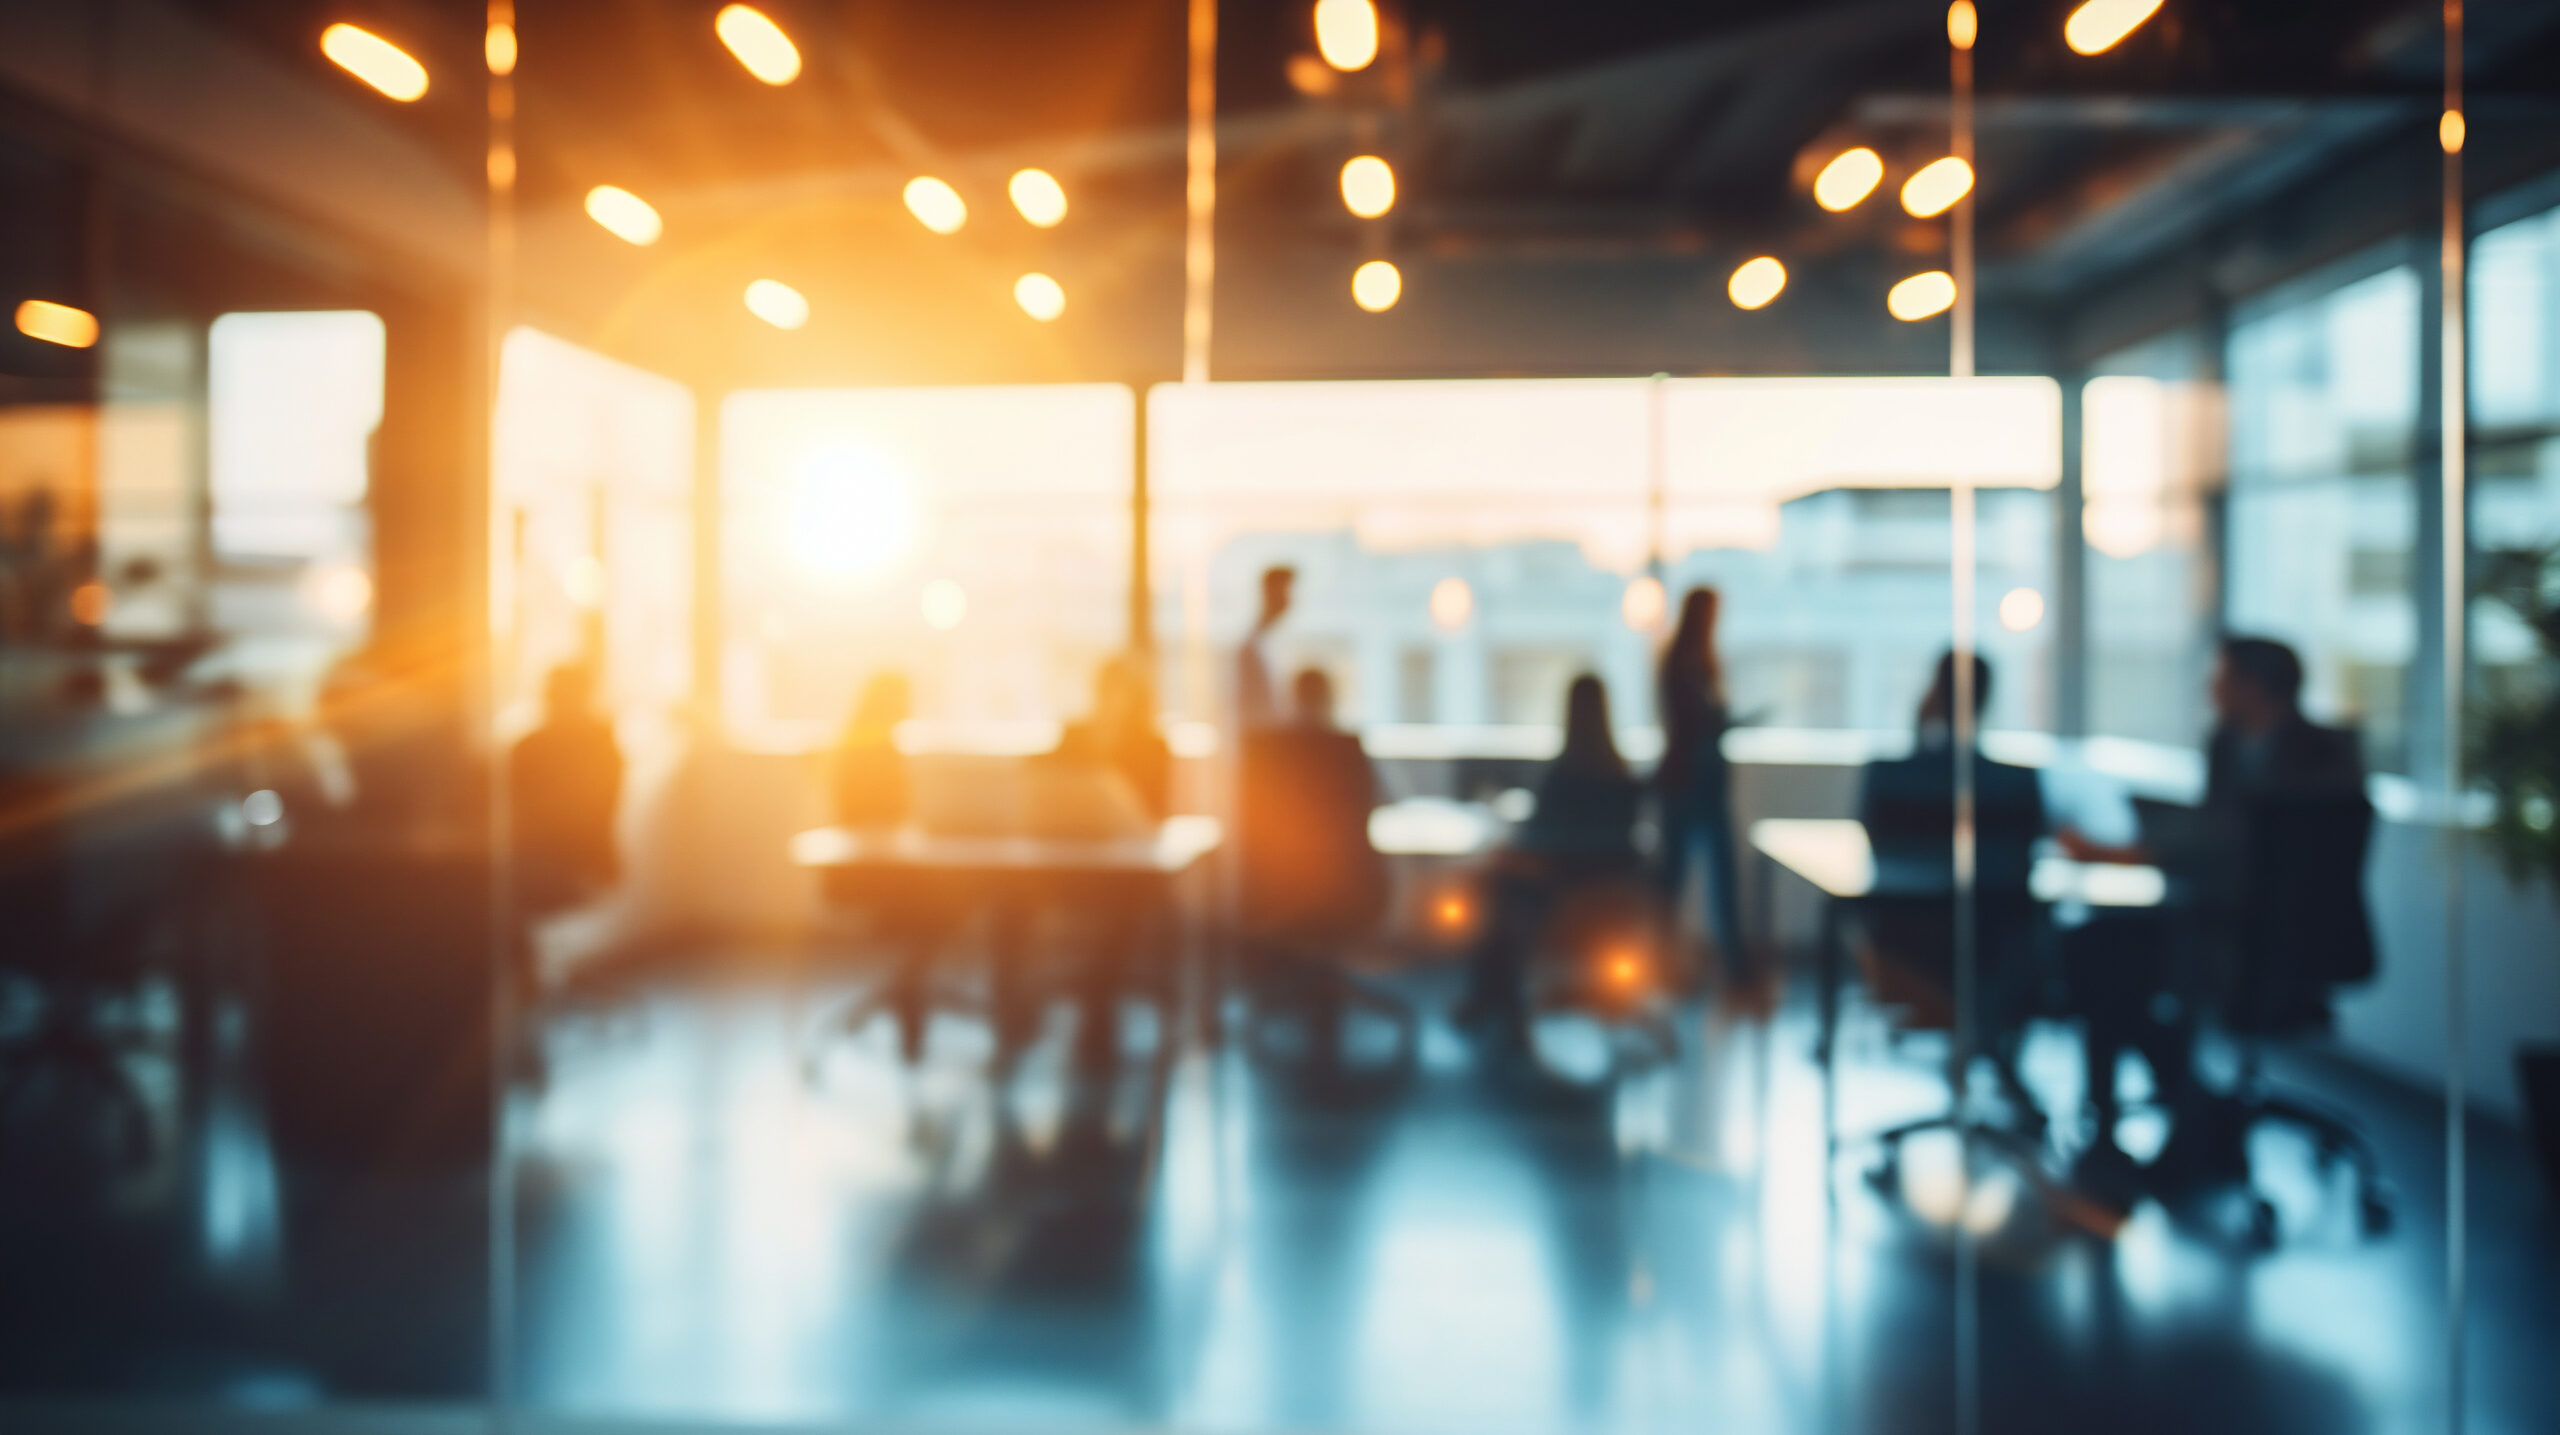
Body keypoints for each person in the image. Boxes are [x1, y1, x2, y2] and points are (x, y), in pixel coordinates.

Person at [2054, 635, 2368, 1198]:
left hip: (2269, 944)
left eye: (2220, 677)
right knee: (2098, 950)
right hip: (2220, 920)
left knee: (2106, 960)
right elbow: (2217, 831)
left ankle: (2188, 1126)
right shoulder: (2228, 744)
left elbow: (2231, 838)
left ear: (2252, 685)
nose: (2210, 689)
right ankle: (2166, 1121)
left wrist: (2122, 852)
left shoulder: (2322, 753)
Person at [1853, 652, 2048, 1117]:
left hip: (1907, 956)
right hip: (2001, 957)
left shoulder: (1889, 775)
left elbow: (1874, 841)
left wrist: (1918, 731)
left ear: (1934, 695)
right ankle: (1997, 1054)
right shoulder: (2018, 783)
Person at [1457, 674, 1646, 1050]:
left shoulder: (1564, 776)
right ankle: (1494, 998)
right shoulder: (1623, 776)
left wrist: (1504, 848)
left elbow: (1539, 844)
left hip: (1559, 900)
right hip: (1609, 902)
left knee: (1492, 881)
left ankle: (1494, 999)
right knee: (1500, 877)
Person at [1653, 587, 1759, 1002]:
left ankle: (1734, 966)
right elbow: (1690, 724)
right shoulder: (1682, 663)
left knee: (1706, 881)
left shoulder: (1698, 662)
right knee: (1676, 884)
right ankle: (1665, 966)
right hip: (1687, 784)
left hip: (1704, 783)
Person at [508, 661, 624, 918]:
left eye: (555, 695)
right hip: (561, 868)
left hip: (572, 869)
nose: (548, 701)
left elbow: (598, 815)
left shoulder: (600, 748)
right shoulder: (528, 748)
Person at [1053, 654, 1172, 819]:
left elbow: (1153, 807)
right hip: (1078, 826)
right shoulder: (1073, 735)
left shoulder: (1152, 746)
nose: (1110, 698)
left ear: (1135, 699)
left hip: (1130, 833)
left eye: (1118, 692)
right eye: (1106, 689)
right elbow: (1055, 789)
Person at [830, 672, 912, 830]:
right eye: (903, 700)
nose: (908, 706)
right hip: (867, 829)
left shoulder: (885, 742)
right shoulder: (866, 745)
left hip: (879, 830)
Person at [1235, 565, 1296, 730]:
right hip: (1262, 743)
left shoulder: (1273, 643)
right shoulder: (1252, 647)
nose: (1290, 599)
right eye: (1285, 591)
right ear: (1269, 594)